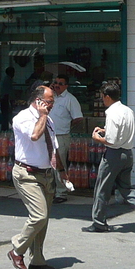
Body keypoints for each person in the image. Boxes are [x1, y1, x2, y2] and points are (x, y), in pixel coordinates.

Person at [84, 82, 135, 237]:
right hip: (127, 154)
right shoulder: (127, 110)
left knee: (102, 188)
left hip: (114, 155)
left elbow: (112, 141)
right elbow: (123, 131)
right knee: (126, 189)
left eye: (102, 97)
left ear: (106, 96)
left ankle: (98, 222)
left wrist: (97, 138)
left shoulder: (111, 113)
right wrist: (106, 130)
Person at [8, 84, 58, 269]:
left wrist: (62, 171)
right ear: (38, 101)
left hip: (46, 174)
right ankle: (17, 248)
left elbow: (54, 146)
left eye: (52, 101)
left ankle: (37, 259)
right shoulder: (23, 118)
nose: (51, 105)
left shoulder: (49, 120)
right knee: (39, 216)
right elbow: (35, 135)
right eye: (49, 101)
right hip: (27, 174)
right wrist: (43, 115)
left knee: (44, 221)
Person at [48, 74, 84, 203]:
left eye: (60, 83)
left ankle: (61, 193)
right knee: (49, 164)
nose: (57, 85)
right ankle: (51, 190)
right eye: (55, 82)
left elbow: (78, 118)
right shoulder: (51, 97)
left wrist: (67, 125)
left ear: (66, 86)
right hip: (49, 136)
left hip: (61, 136)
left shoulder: (70, 99)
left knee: (60, 164)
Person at [0, 66, 15, 131]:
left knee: (5, 116)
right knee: (6, 116)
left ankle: (5, 129)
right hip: (6, 100)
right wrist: (11, 101)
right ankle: (5, 130)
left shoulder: (5, 79)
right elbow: (8, 92)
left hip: (4, 99)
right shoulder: (7, 80)